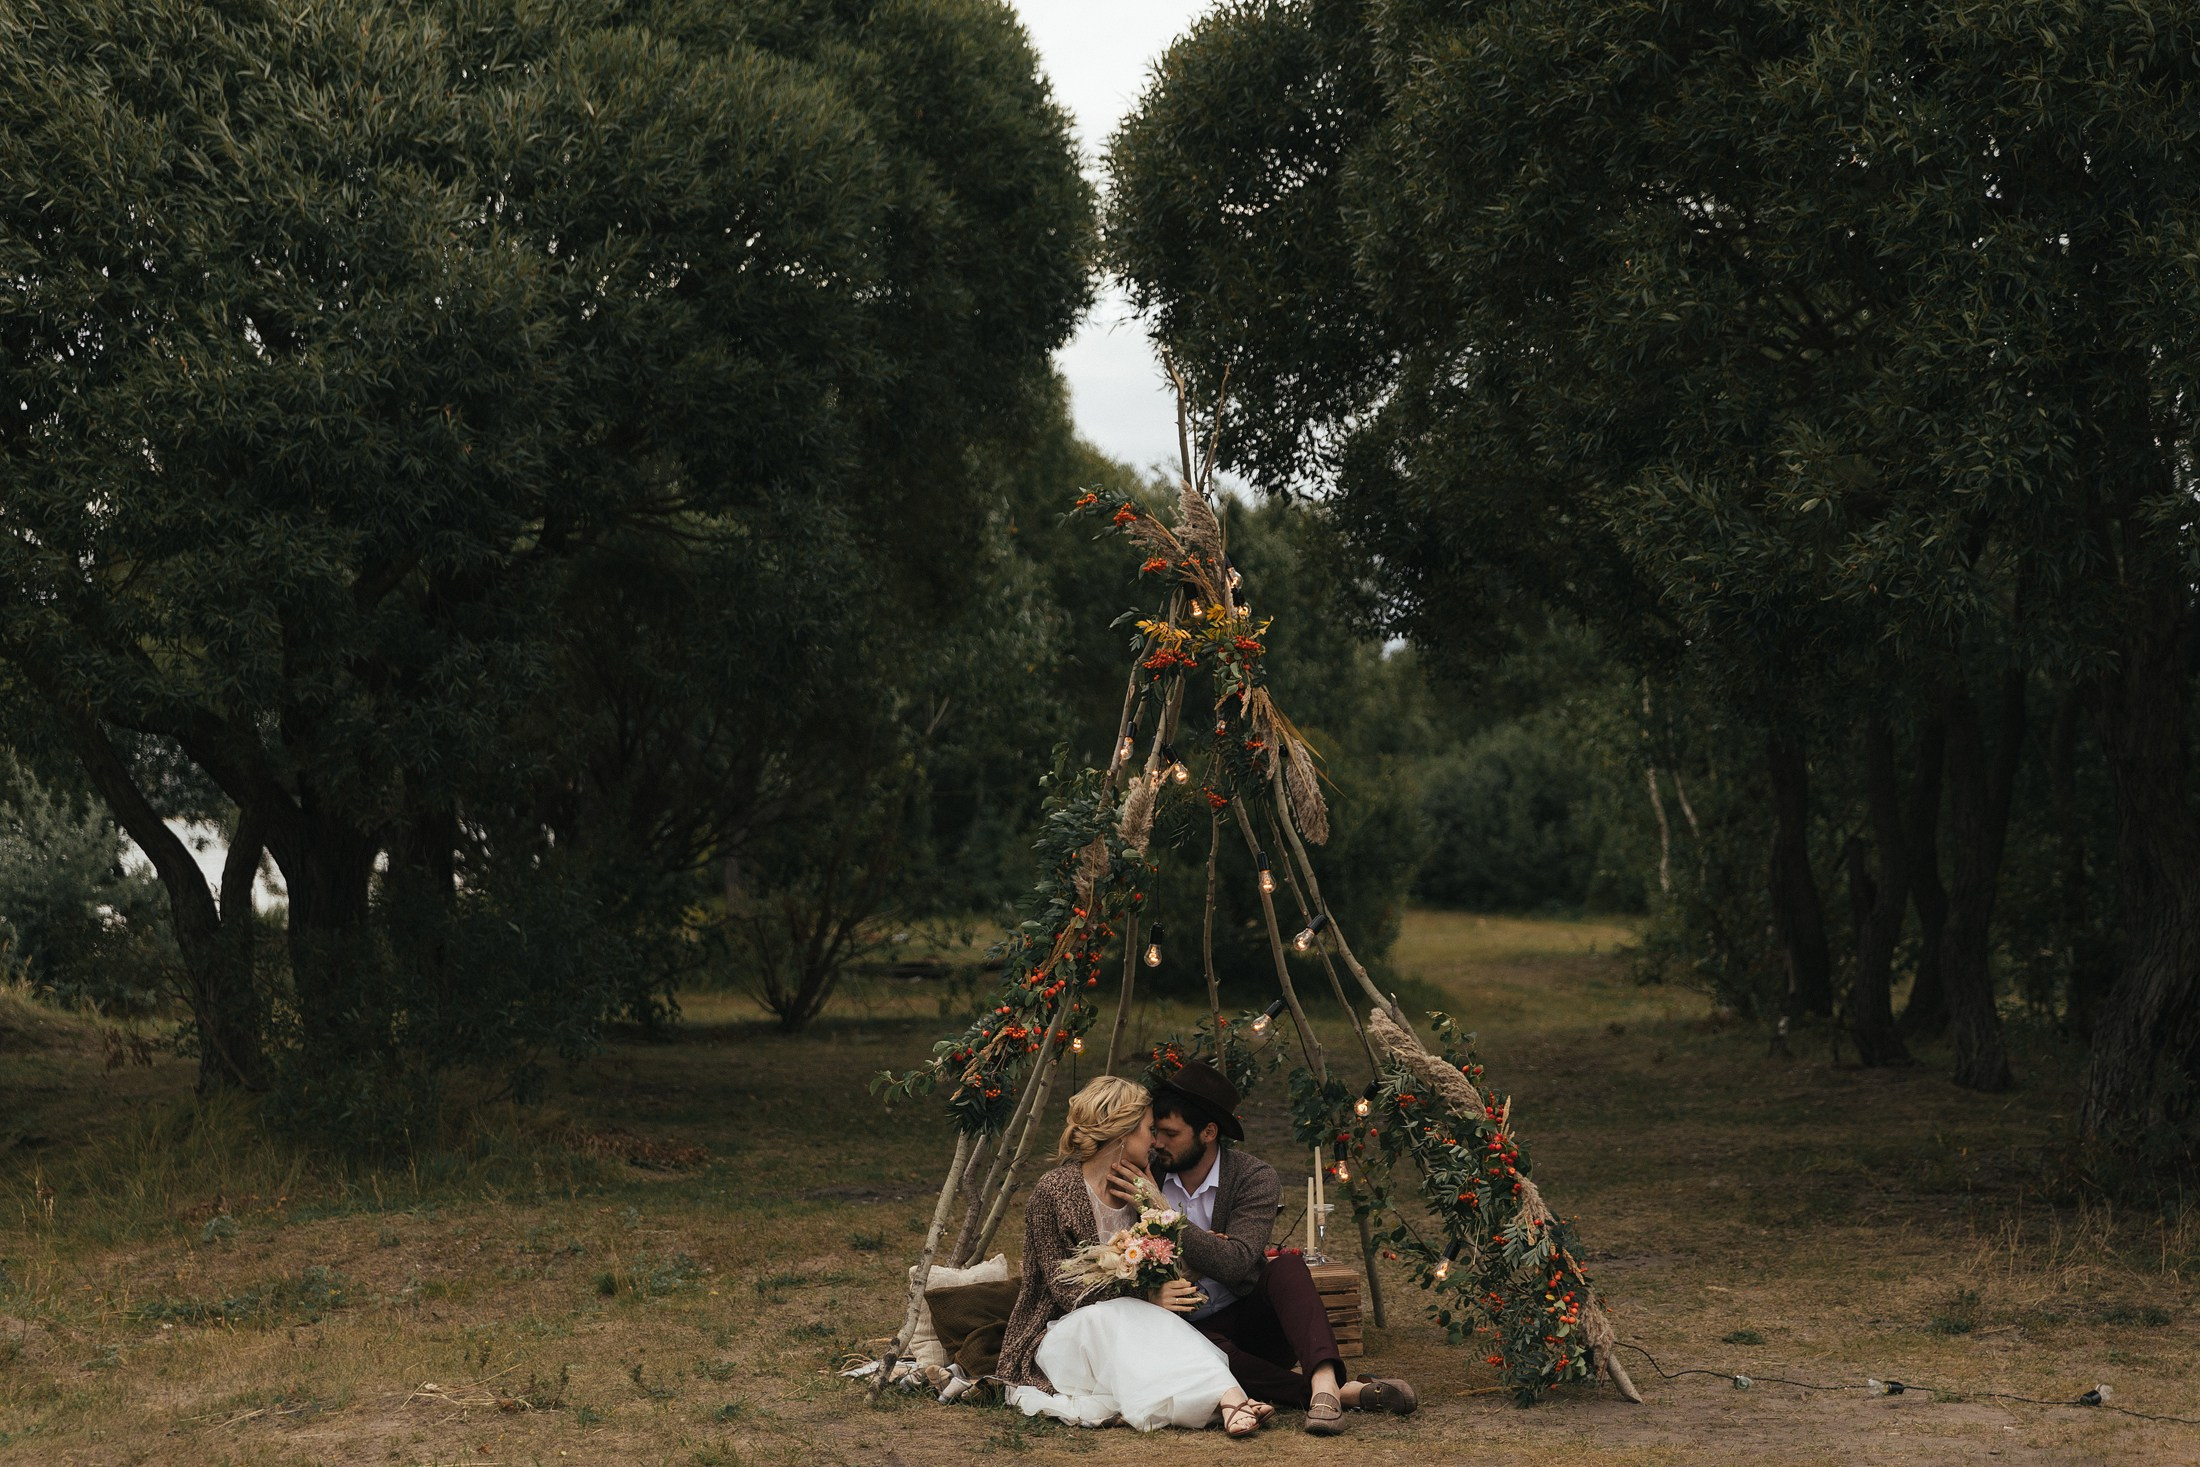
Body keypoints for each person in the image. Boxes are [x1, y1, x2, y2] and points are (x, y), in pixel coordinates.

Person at [1147, 1061, 1420, 1436]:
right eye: (1155, 1131)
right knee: (1205, 1353)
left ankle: (1323, 1379)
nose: (1157, 1143)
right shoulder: (1148, 1174)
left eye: (1170, 1133)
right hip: (1188, 1330)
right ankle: (1341, 1394)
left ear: (1208, 1132)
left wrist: (1164, 1215)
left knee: (1287, 1268)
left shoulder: (1252, 1177)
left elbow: (1235, 1264)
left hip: (1251, 1320)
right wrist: (1206, 1245)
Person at [995, 1074, 1275, 1434]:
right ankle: (1227, 1397)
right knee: (1108, 1316)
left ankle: (1228, 1398)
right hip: (1063, 1332)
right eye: (1148, 1130)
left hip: (1127, 1332)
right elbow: (1065, 1290)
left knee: (1152, 1323)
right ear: (1122, 1134)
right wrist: (1148, 1295)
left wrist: (1180, 1252)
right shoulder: (1054, 1192)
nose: (1155, 1142)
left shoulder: (1141, 1191)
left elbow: (1161, 1261)